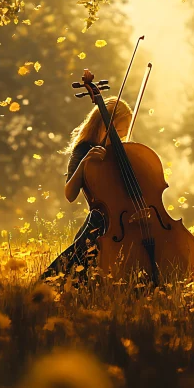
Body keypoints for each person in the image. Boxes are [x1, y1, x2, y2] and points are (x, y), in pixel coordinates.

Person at [40, 97, 133, 283]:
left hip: (129, 222)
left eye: (123, 134)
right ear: (103, 124)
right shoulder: (84, 150)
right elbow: (69, 194)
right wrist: (84, 164)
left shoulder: (121, 153)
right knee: (64, 279)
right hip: (100, 223)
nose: (121, 138)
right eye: (118, 131)